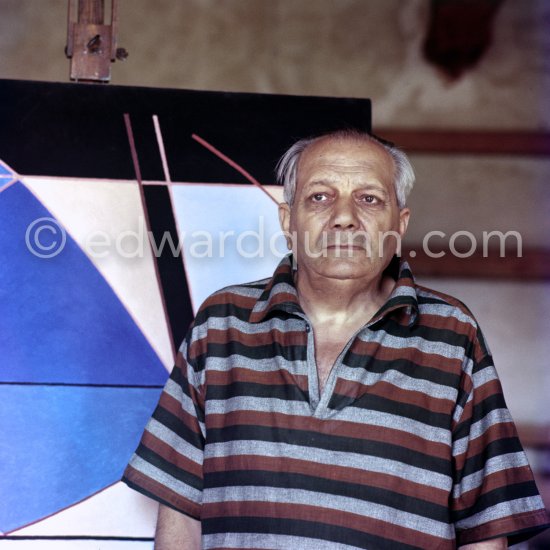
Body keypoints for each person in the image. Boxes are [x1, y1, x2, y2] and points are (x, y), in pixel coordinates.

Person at [123, 130, 549, 549]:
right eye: (320, 197)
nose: (344, 216)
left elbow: (487, 526)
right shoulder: (222, 325)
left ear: (399, 224)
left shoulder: (452, 335)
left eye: (369, 198)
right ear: (288, 220)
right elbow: (179, 510)